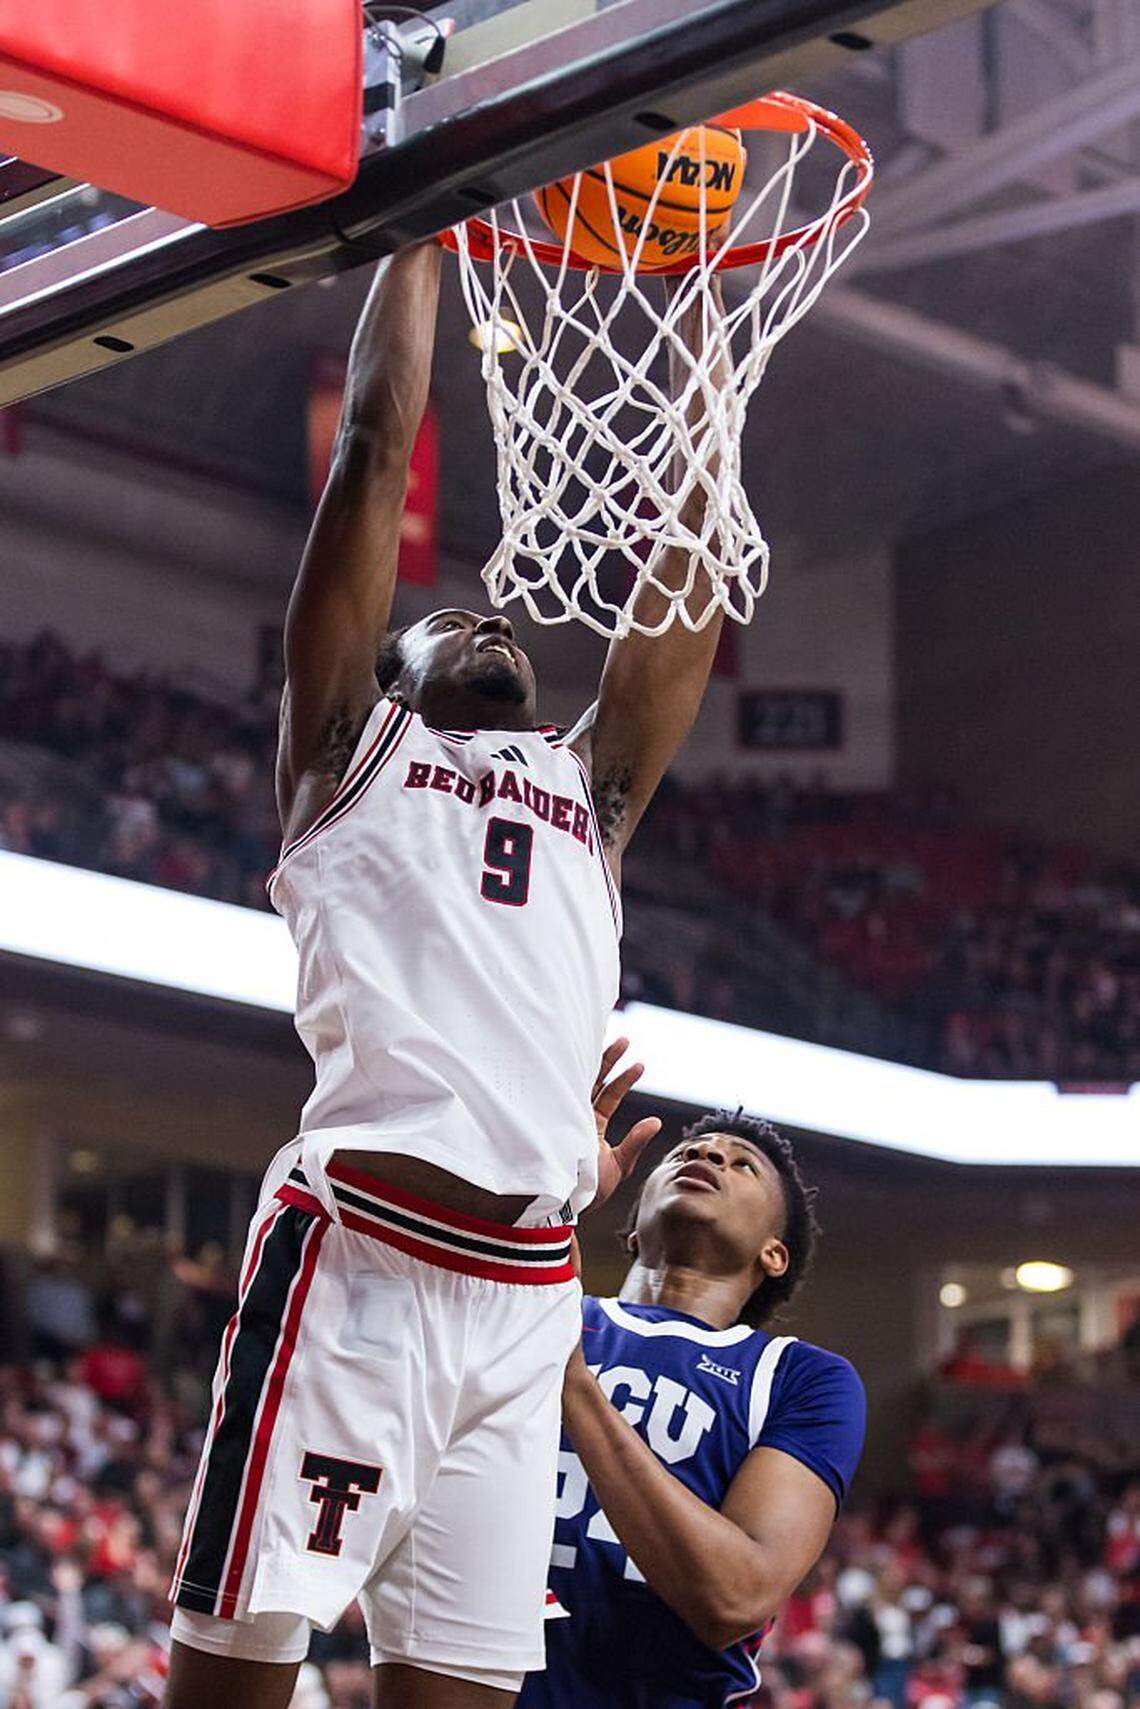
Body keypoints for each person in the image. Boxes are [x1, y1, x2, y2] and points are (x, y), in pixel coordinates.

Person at [165, 240, 734, 1709]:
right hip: (359, 1260)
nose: (483, 612)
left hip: (528, 1297)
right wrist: (422, 233)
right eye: (443, 618)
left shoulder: (589, 787)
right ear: (387, 672)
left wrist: (710, 351)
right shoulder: (348, 754)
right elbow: (368, 451)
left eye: (500, 618)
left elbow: (682, 598)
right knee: (230, 1678)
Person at [519, 1057, 865, 1709]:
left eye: (743, 1164)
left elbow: (733, 1595)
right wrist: (544, 1192)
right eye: (694, 1149)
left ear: (774, 1251)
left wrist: (576, 1387)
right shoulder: (543, 1303)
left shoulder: (800, 1376)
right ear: (631, 1226)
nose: (709, 1152)